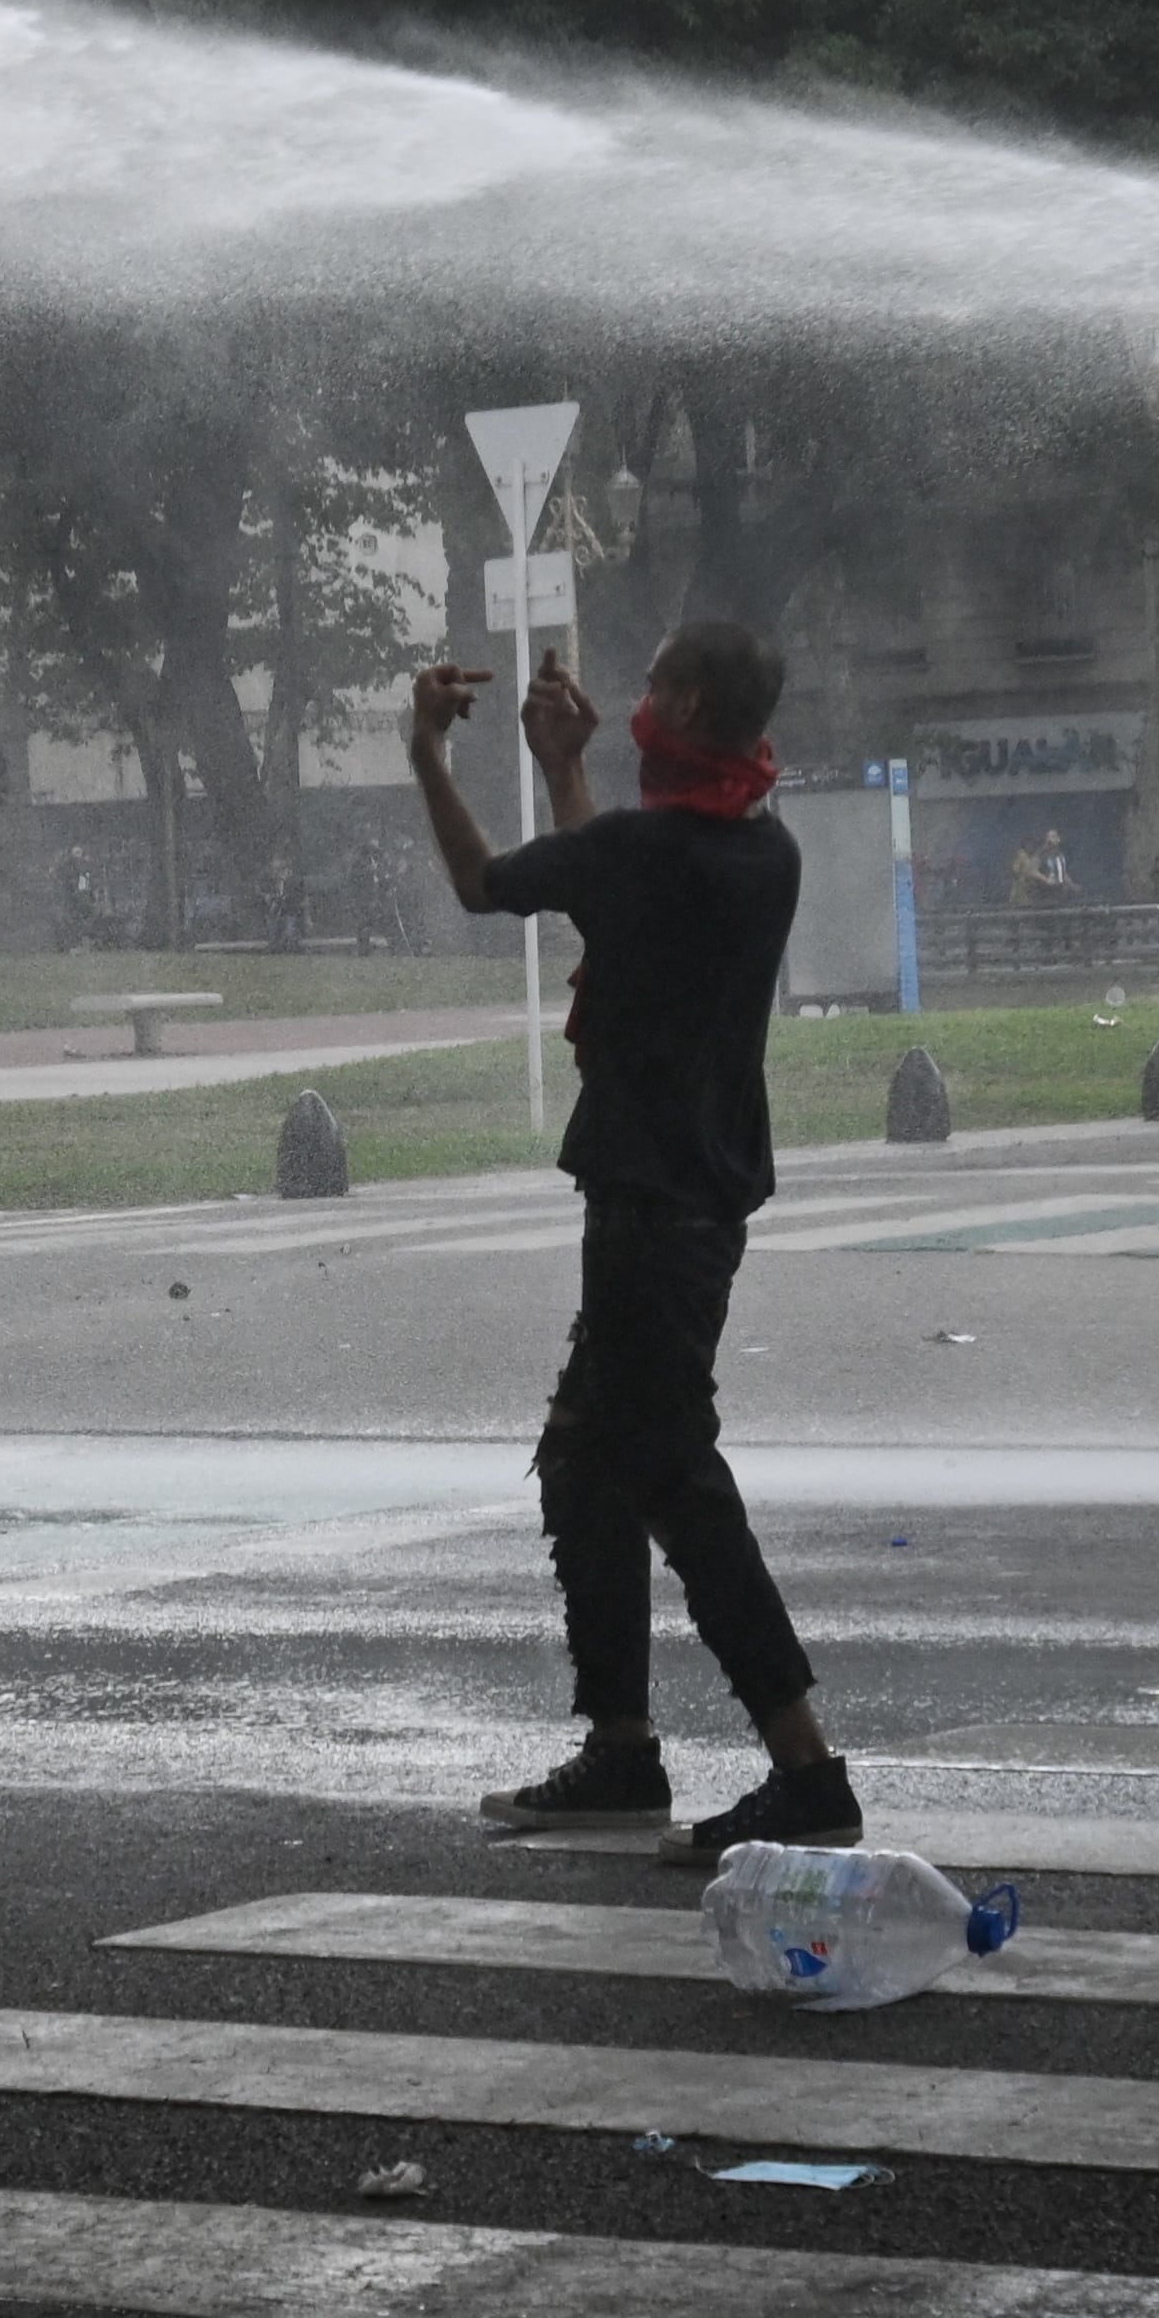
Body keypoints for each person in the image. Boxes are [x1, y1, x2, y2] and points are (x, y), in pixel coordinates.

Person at [414, 621, 851, 1861]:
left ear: (691, 699)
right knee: (582, 1459)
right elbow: (616, 892)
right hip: (697, 1206)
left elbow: (485, 883)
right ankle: (620, 1749)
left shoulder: (653, 849)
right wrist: (563, 766)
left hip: (646, 1217)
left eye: (654, 682)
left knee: (672, 1476)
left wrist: (425, 753)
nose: (637, 697)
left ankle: (805, 1768)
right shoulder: (761, 848)